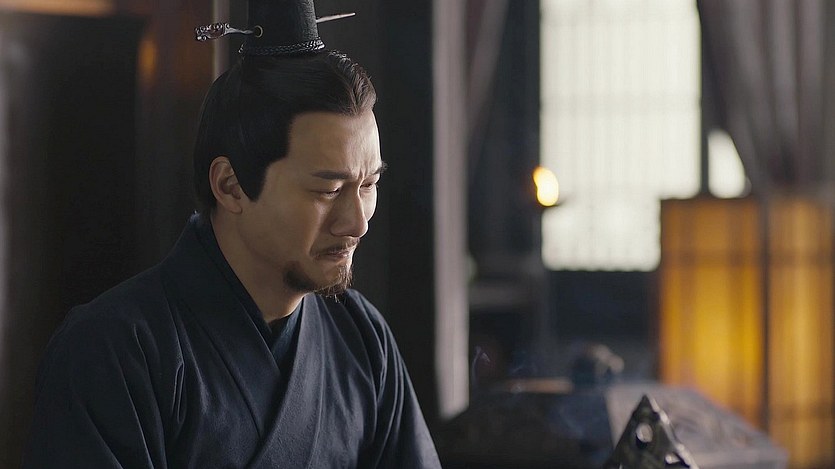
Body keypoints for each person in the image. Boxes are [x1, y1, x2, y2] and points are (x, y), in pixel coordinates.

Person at [23, 1, 441, 467]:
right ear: (230, 185)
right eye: (328, 190)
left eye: (368, 185)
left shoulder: (361, 337)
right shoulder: (114, 350)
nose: (357, 222)